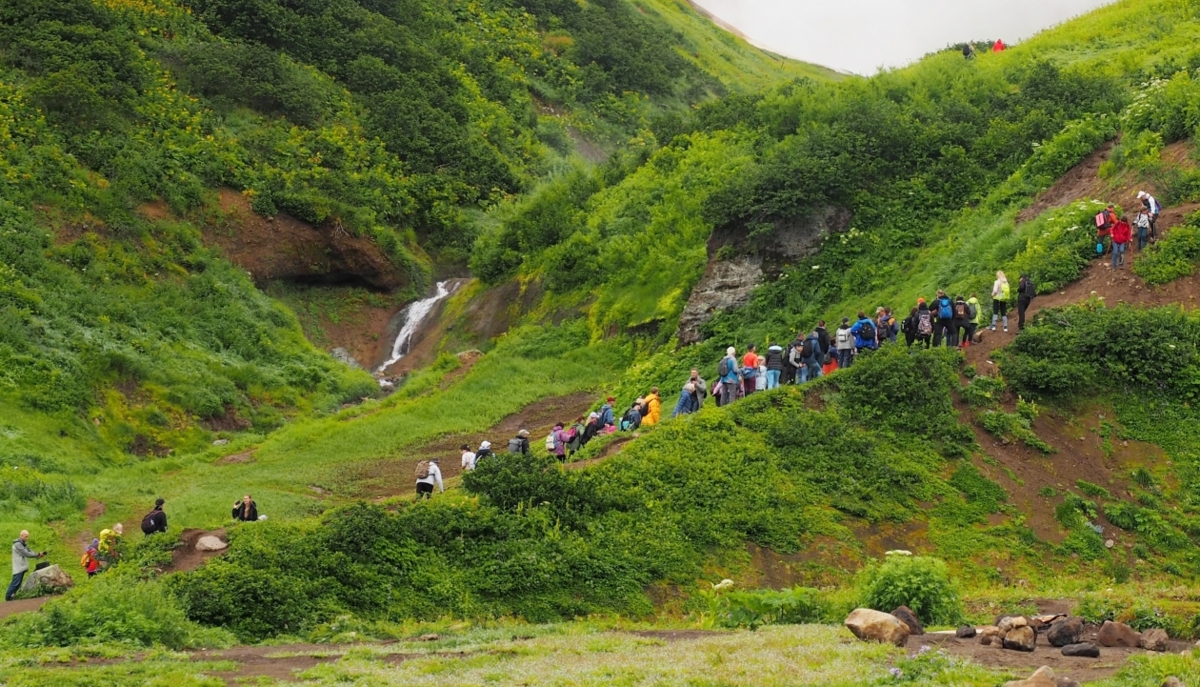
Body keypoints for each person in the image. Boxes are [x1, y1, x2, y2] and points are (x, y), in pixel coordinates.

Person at [8, 531, 45, 601]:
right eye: (26, 536)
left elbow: (29, 551)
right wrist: (37, 554)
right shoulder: (18, 545)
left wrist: (38, 555)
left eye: (27, 536)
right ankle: (8, 598)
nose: (27, 538)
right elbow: (26, 553)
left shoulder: (22, 544)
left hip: (21, 567)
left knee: (17, 584)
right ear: (21, 536)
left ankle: (11, 597)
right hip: (18, 567)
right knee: (15, 584)